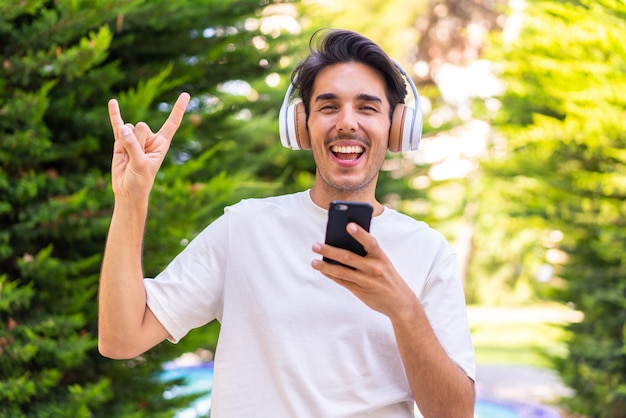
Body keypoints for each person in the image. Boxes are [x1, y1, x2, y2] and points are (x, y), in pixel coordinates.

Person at [98, 28, 475, 417]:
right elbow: (121, 339)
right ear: (300, 125)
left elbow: (456, 413)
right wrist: (131, 199)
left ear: (397, 127)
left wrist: (403, 308)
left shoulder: (428, 251)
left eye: (367, 107)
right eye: (329, 107)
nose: (347, 123)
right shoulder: (244, 228)